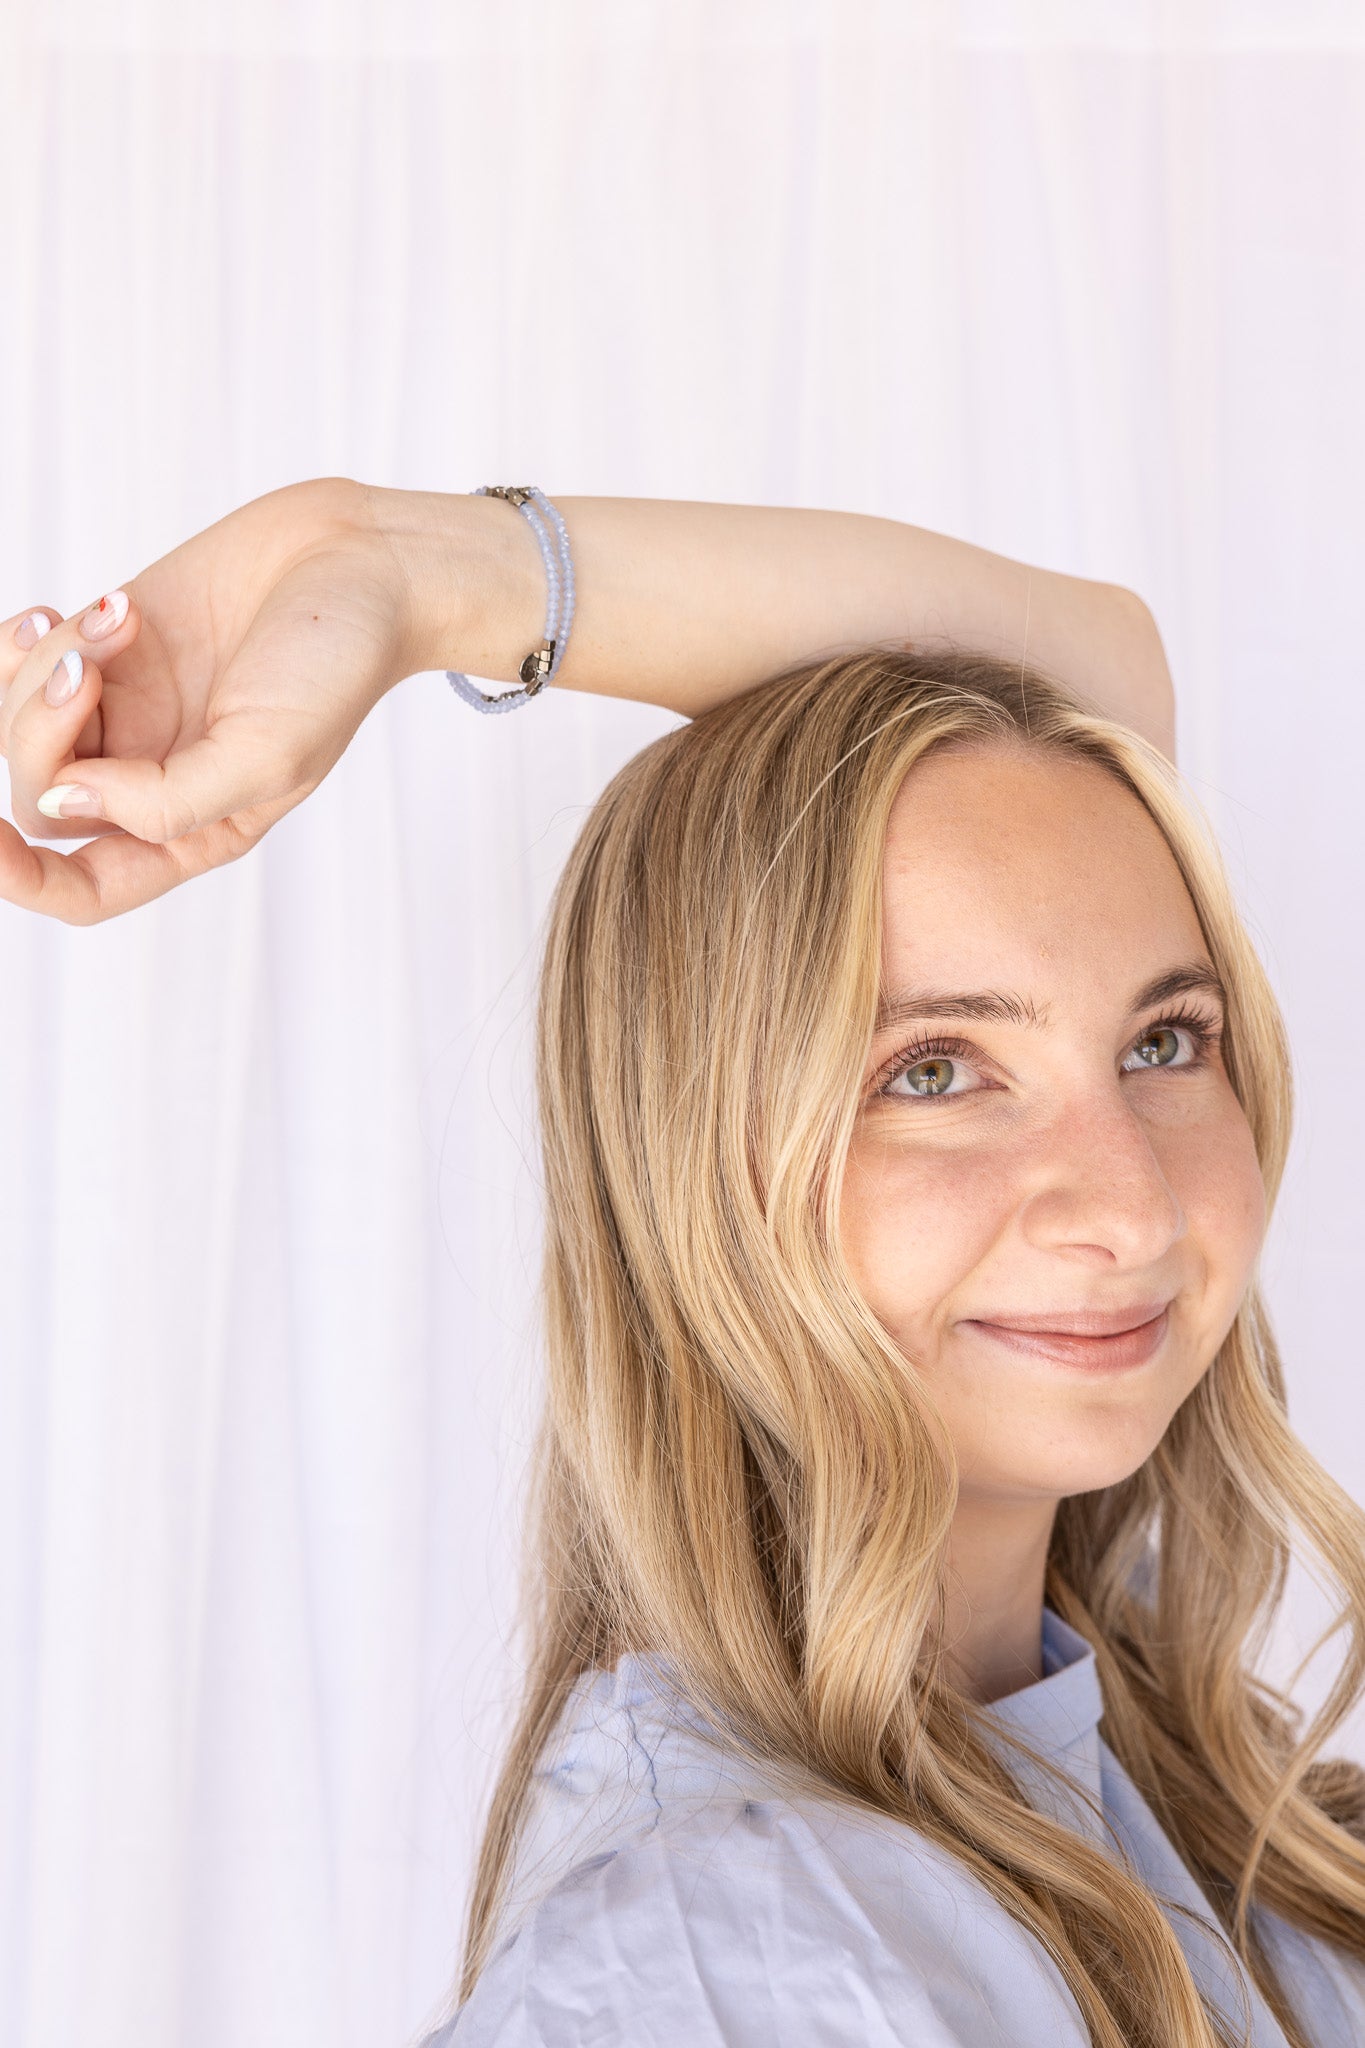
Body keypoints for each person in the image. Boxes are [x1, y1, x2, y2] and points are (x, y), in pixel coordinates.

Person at [3, 483, 1364, 2044]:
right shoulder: (717, 1961)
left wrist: (415, 566)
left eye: (1162, 1040)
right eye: (931, 1070)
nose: (1126, 1207)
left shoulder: (1206, 1821)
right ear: (691, 1162)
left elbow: (1093, 679)